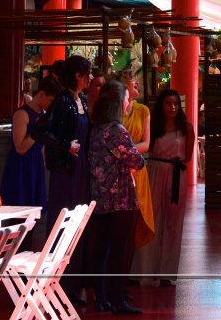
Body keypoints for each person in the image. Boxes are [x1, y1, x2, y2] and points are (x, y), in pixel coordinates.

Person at [32, 54, 93, 307]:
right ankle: (58, 285)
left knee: (78, 224)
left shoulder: (82, 100)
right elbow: (39, 130)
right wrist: (64, 144)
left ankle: (74, 285)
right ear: (78, 76)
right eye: (88, 74)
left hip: (81, 169)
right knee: (63, 223)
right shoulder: (63, 101)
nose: (90, 78)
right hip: (65, 172)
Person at [89, 81, 146, 315]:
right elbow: (137, 161)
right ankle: (118, 299)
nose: (128, 102)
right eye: (126, 98)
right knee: (119, 249)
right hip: (120, 196)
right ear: (118, 103)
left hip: (100, 196)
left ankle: (101, 297)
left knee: (101, 247)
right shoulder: (116, 130)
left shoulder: (95, 128)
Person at [132, 89, 195, 286]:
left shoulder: (186, 128)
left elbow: (188, 156)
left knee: (173, 223)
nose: (172, 107)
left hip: (176, 174)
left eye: (175, 103)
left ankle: (166, 273)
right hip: (155, 171)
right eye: (168, 103)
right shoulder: (154, 125)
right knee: (150, 219)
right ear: (161, 105)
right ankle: (142, 271)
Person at [2, 74, 61, 210]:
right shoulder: (22, 114)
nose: (52, 105)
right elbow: (20, 148)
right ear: (41, 94)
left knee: (35, 213)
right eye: (51, 101)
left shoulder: (43, 115)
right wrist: (37, 130)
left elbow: (42, 145)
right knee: (18, 212)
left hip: (36, 165)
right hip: (20, 168)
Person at [120, 74, 155, 250]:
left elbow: (146, 144)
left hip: (136, 167)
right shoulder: (114, 110)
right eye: (132, 80)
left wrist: (123, 150)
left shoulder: (143, 110)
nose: (137, 83)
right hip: (117, 168)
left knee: (137, 215)